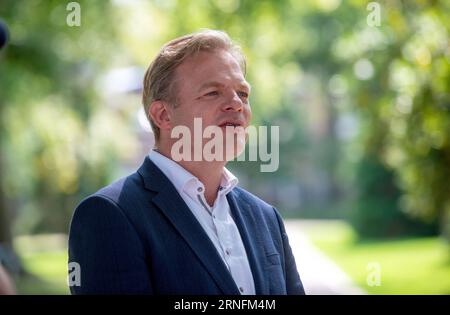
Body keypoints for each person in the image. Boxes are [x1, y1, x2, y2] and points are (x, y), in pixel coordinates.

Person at [68, 29, 305, 295]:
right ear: (163, 115)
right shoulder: (108, 215)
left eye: (243, 93)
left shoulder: (266, 217)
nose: (237, 104)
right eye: (213, 92)